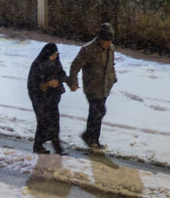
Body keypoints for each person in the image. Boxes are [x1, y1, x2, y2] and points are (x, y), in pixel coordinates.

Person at [68, 22, 117, 150]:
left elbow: (111, 65)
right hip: (93, 87)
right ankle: (91, 138)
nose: (108, 44)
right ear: (100, 38)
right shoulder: (87, 49)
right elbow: (75, 66)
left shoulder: (111, 48)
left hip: (105, 86)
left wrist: (113, 78)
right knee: (98, 111)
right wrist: (73, 82)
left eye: (110, 41)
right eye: (106, 41)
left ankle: (90, 138)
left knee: (97, 113)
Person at [27, 42, 68, 155]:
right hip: (40, 98)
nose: (55, 57)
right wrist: (47, 84)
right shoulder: (37, 65)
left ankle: (57, 148)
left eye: (56, 54)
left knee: (54, 122)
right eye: (53, 55)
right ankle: (38, 146)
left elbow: (61, 73)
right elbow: (33, 85)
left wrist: (69, 81)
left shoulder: (55, 63)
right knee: (43, 122)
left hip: (52, 98)